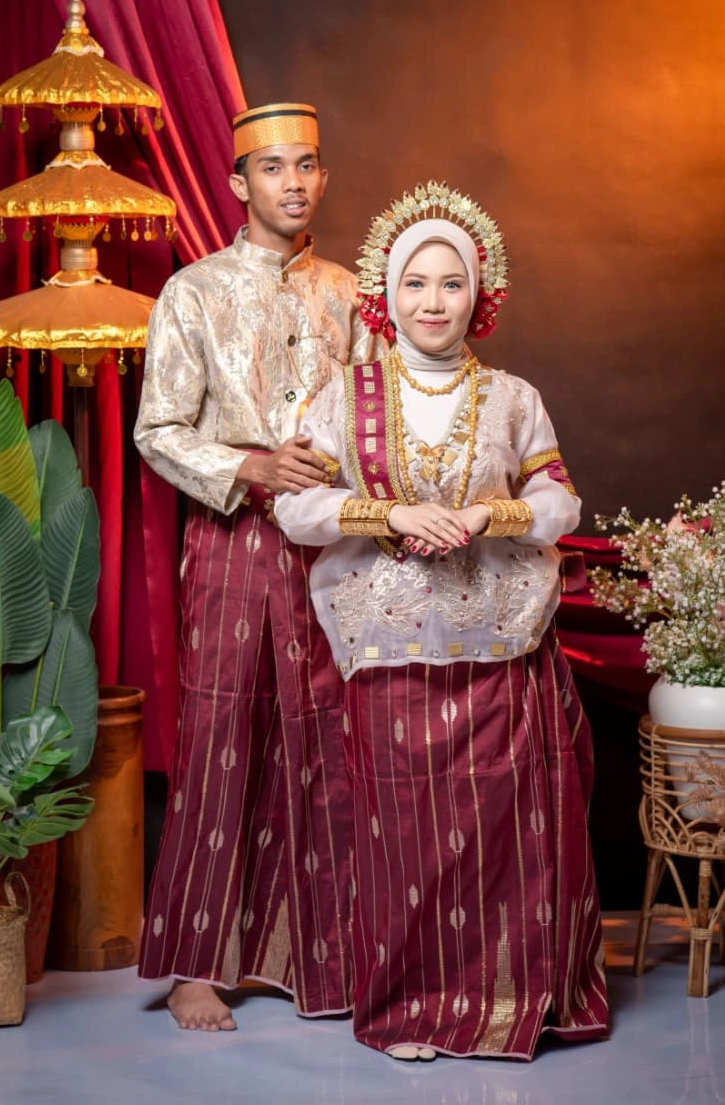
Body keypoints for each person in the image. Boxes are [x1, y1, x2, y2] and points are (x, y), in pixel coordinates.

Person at [274, 180, 609, 1061]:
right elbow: (295, 511)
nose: (432, 301)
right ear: (387, 296)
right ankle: (409, 1010)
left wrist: (488, 515)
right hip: (389, 649)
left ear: (479, 293)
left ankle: (507, 999)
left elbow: (560, 501)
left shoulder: (513, 398)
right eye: (415, 283)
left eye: (451, 283)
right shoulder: (343, 398)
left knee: (502, 828)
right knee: (404, 835)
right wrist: (386, 513)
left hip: (501, 648)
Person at [135, 102, 380, 1032]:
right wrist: (251, 467)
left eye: (307, 165)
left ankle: (323, 954)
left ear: (324, 177)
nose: (294, 182)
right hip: (233, 538)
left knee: (329, 738)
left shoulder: (352, 295)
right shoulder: (193, 292)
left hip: (335, 542)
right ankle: (197, 965)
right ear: (239, 183)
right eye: (273, 167)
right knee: (222, 735)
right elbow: (158, 429)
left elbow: (380, 418)